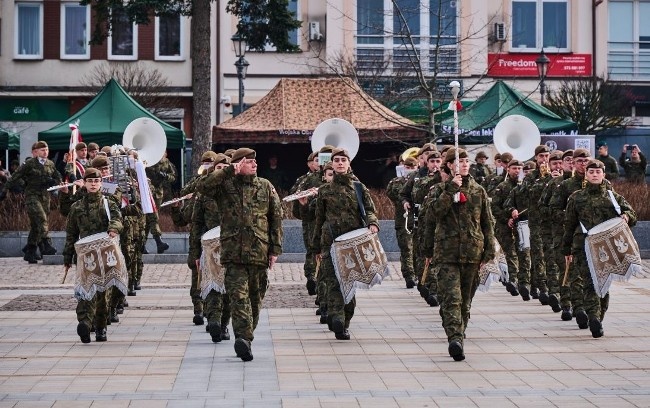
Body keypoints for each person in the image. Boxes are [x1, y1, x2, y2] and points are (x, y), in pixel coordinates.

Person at [196, 147, 283, 361]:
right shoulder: (225, 186)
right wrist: (227, 172)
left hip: (259, 253)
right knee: (238, 298)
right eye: (248, 161)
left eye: (255, 161)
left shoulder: (265, 186)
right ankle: (243, 339)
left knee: (255, 299)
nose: (254, 164)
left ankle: (246, 335)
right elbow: (202, 187)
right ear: (237, 164)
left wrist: (275, 249)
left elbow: (276, 218)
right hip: (233, 254)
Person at [422, 148, 495, 361]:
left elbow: (487, 223)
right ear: (449, 166)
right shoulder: (438, 190)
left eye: (465, 161)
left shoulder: (478, 190)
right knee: (451, 298)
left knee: (465, 301)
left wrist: (489, 250)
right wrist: (451, 189)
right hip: (446, 253)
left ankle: (459, 332)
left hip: (473, 252)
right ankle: (454, 337)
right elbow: (433, 215)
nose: (463, 164)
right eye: (458, 161)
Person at [312, 147, 379, 341]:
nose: (340, 163)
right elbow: (319, 219)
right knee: (333, 283)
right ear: (331, 164)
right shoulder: (325, 190)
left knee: (349, 283)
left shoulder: (358, 187)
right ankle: (336, 317)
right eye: (337, 160)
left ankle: (344, 321)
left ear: (349, 164)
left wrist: (373, 223)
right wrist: (317, 247)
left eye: (343, 160)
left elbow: (369, 209)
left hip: (353, 244)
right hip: (331, 244)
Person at [563, 159, 636, 338]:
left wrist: (626, 217)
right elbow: (569, 224)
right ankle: (593, 316)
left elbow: (631, 213)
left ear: (603, 174)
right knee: (589, 282)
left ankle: (599, 316)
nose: (595, 175)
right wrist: (566, 249)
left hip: (606, 248)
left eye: (598, 172)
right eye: (591, 172)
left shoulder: (612, 196)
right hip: (584, 246)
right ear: (586, 175)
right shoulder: (576, 197)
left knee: (603, 283)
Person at [63, 168, 123, 343]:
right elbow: (71, 234)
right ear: (85, 183)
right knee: (86, 290)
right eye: (90, 181)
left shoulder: (108, 203)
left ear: (100, 183)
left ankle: (101, 328)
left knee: (103, 294)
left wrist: (114, 228)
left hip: (105, 254)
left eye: (97, 181)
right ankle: (85, 323)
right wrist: (67, 258)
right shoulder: (77, 206)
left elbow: (118, 219)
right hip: (85, 255)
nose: (94, 184)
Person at [191, 153, 232, 343]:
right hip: (210, 246)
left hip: (232, 245)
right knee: (212, 285)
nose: (222, 172)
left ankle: (224, 324)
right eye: (218, 169)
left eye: (225, 168)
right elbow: (196, 225)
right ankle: (214, 319)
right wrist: (194, 254)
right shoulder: (204, 193)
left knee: (230, 287)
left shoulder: (236, 191)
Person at [6, 141, 62, 263]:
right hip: (32, 196)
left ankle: (30, 251)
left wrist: (53, 181)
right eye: (42, 150)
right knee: (41, 219)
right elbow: (15, 176)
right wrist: (6, 190)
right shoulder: (30, 164)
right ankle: (47, 245)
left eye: (46, 149)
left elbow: (58, 176)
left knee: (37, 226)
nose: (45, 152)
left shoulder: (50, 164)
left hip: (45, 198)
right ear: (36, 152)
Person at [386, 156, 417, 290]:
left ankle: (418, 274)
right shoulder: (396, 182)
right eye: (407, 167)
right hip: (403, 219)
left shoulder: (419, 181)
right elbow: (392, 195)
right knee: (406, 248)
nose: (409, 170)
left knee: (418, 249)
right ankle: (409, 276)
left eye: (412, 168)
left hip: (417, 219)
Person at [144, 151, 176, 253]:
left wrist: (165, 176)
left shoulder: (166, 163)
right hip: (147, 191)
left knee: (150, 220)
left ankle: (142, 245)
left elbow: (173, 177)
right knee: (153, 217)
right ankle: (158, 242)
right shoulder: (148, 160)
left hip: (158, 194)